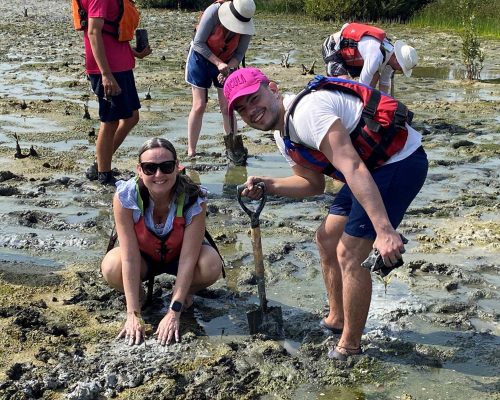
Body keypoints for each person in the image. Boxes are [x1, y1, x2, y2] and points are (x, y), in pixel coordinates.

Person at [223, 67, 428, 360]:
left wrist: (384, 231)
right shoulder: (283, 135)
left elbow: (353, 167)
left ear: (273, 88)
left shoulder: (308, 113)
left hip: (399, 162)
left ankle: (350, 346)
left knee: (350, 252)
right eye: (242, 109)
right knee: (327, 237)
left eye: (254, 99)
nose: (251, 111)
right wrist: (269, 185)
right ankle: (337, 317)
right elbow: (313, 184)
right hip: (370, 168)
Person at [100, 138, 223, 346]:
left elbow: (188, 258)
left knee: (211, 263)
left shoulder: (194, 198)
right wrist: (132, 313)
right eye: (150, 168)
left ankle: (183, 294)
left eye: (166, 167)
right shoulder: (125, 197)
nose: (159, 175)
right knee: (112, 265)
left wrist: (173, 312)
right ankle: (137, 296)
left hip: (179, 258)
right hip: (143, 260)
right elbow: (129, 257)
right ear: (139, 170)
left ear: (177, 167)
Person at [72, 0, 152, 185]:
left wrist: (134, 52)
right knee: (110, 120)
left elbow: (110, 30)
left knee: (131, 117)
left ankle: (100, 163)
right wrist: (106, 74)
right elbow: (93, 32)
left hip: (120, 64)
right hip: (109, 69)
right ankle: (104, 176)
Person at [185, 0, 256, 162]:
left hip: (227, 61)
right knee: (199, 105)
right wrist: (218, 63)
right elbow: (198, 43)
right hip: (200, 57)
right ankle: (192, 150)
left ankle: (232, 146)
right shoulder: (213, 12)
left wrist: (228, 69)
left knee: (227, 106)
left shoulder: (247, 27)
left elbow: (239, 55)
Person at [322, 22, 418, 94]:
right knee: (344, 80)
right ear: (398, 61)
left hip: (352, 56)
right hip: (334, 47)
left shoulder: (391, 59)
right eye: (401, 69)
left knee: (375, 76)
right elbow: (363, 85)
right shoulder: (376, 56)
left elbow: (384, 84)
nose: (400, 71)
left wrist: (385, 105)